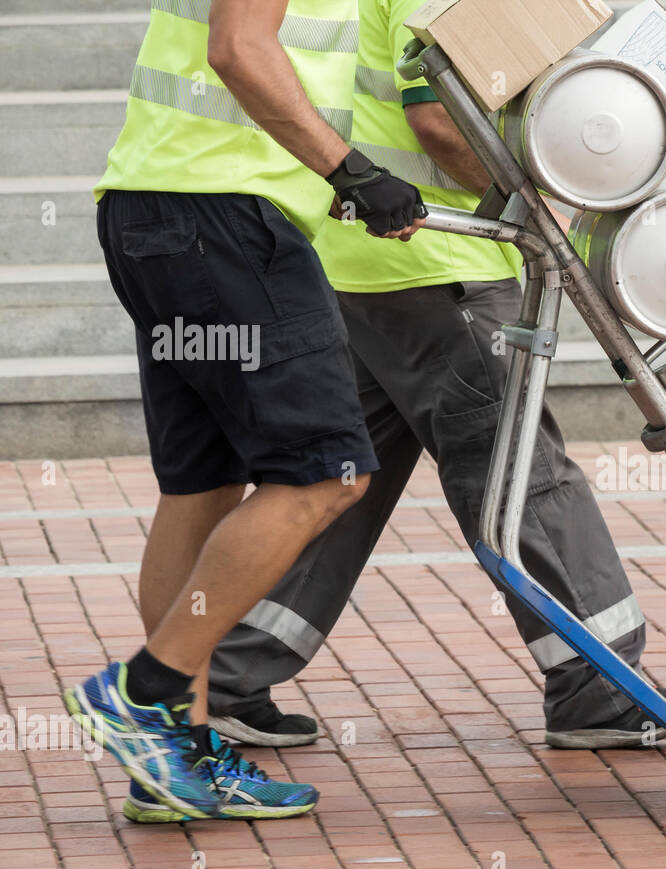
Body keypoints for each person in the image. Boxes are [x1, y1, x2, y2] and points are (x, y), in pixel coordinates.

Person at [169, 0, 666, 803]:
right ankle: (599, 687)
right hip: (442, 265)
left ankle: (230, 669)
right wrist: (541, 197)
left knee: (335, 488)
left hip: (368, 267)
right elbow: (437, 120)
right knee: (522, 474)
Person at [66, 0, 428, 823]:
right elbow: (239, 47)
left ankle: (174, 758)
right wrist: (352, 171)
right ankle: (142, 695)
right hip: (220, 223)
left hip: (161, 210)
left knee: (203, 486)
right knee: (328, 475)